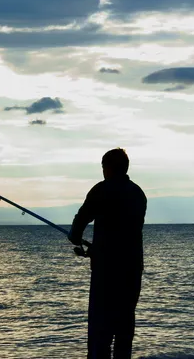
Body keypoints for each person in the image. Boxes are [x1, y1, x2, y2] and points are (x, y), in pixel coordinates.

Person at [68, 148, 147, 359]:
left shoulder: (102, 190)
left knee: (100, 330)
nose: (103, 171)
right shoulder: (138, 194)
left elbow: (81, 219)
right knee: (124, 328)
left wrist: (75, 236)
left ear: (108, 167)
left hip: (106, 271)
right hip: (132, 270)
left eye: (103, 167)